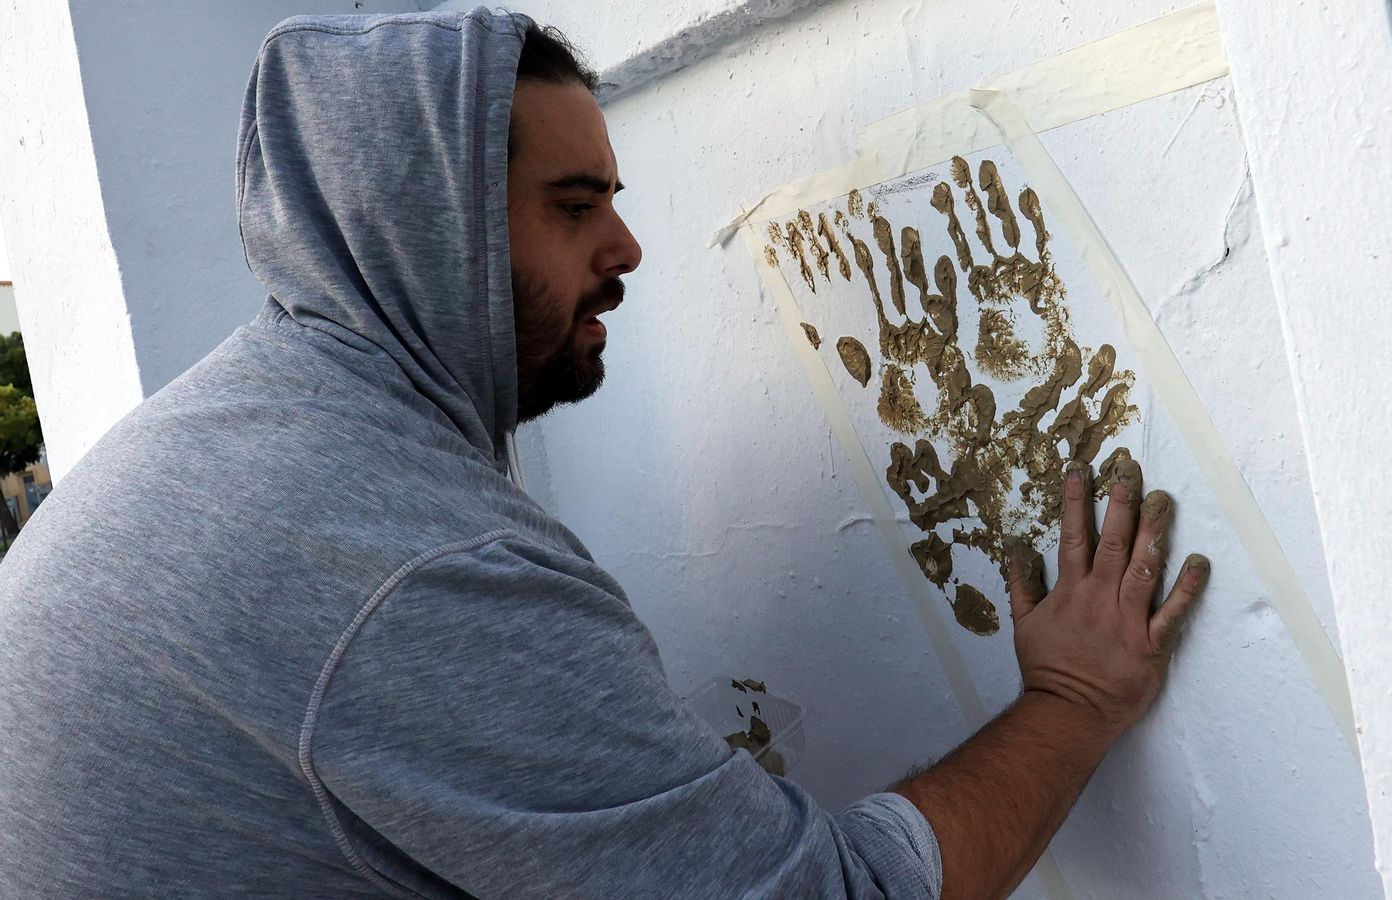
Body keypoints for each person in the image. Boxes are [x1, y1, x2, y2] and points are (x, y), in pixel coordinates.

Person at [0, 9, 1208, 898]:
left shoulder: (251, 430)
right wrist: (1073, 697)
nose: (628, 247)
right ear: (435, 231)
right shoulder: (411, 564)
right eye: (575, 207)